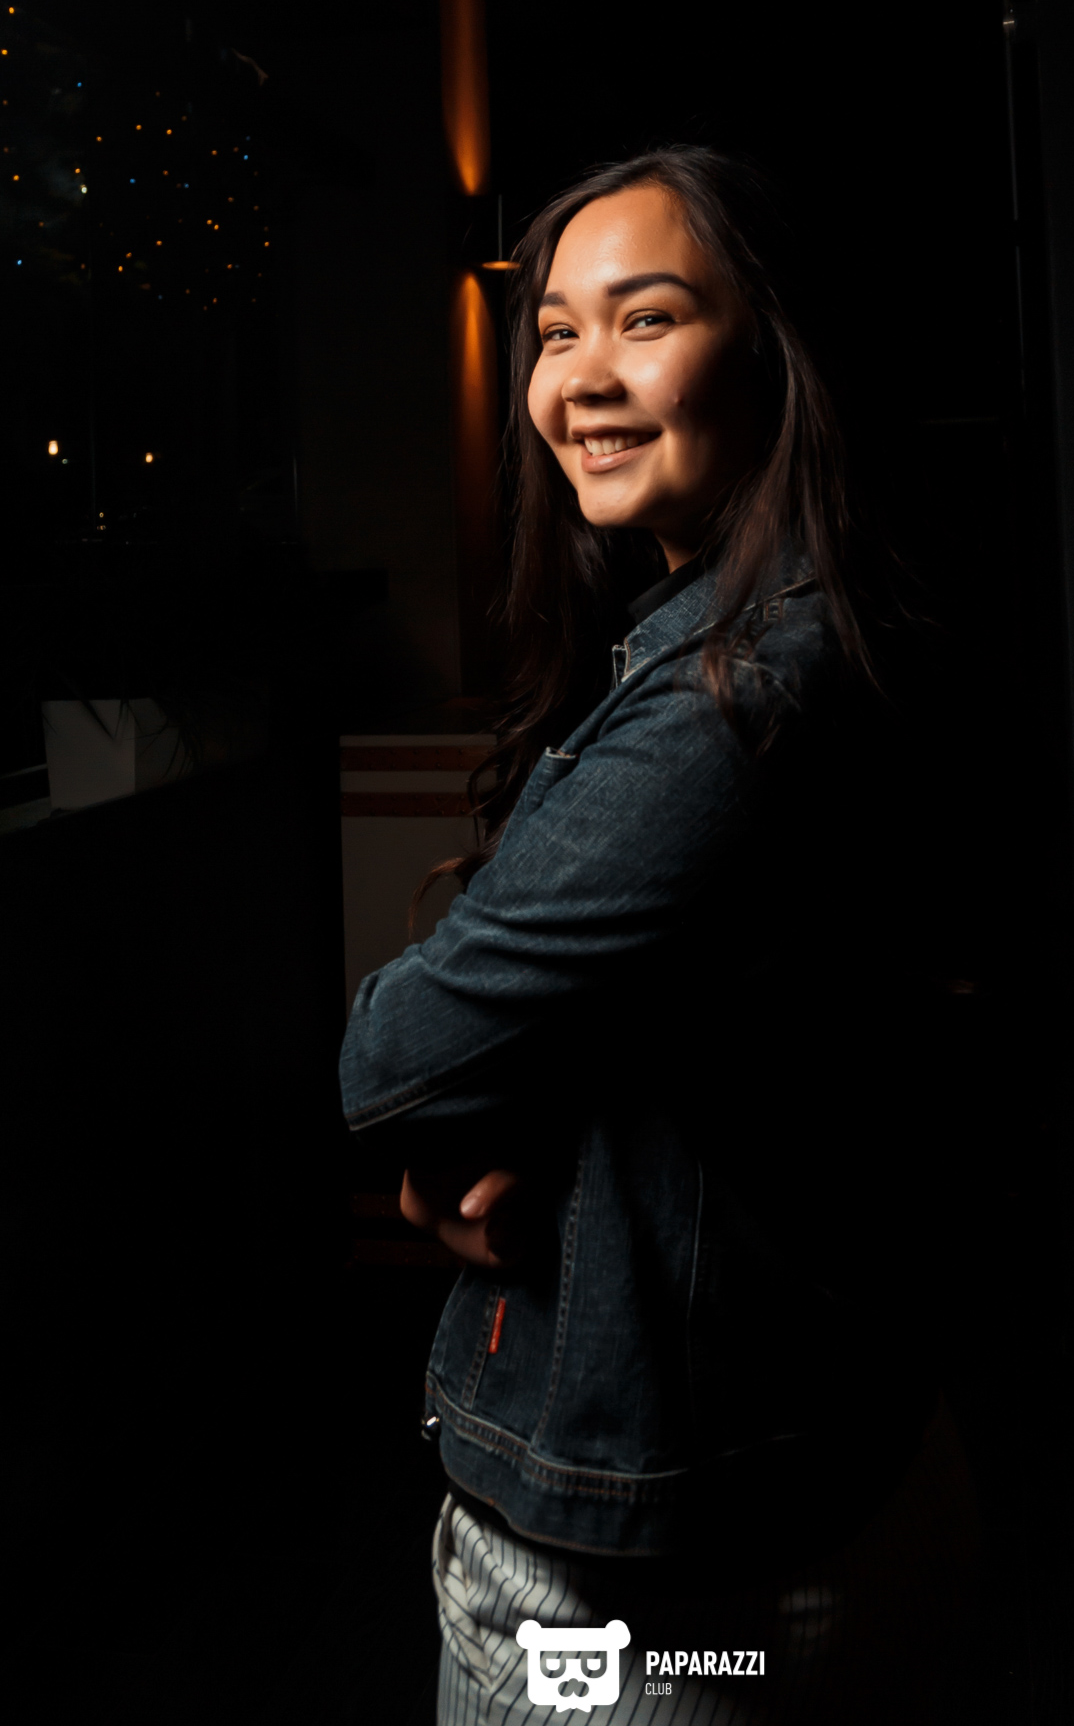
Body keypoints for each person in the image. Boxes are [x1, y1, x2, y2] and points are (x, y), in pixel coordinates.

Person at [339, 148, 979, 1723]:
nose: (581, 379)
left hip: (638, 1594)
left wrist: (474, 1109)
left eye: (648, 318)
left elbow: (394, 1053)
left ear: (769, 351)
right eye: (557, 331)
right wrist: (518, 1111)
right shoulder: (795, 633)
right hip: (829, 1467)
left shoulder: (733, 697)